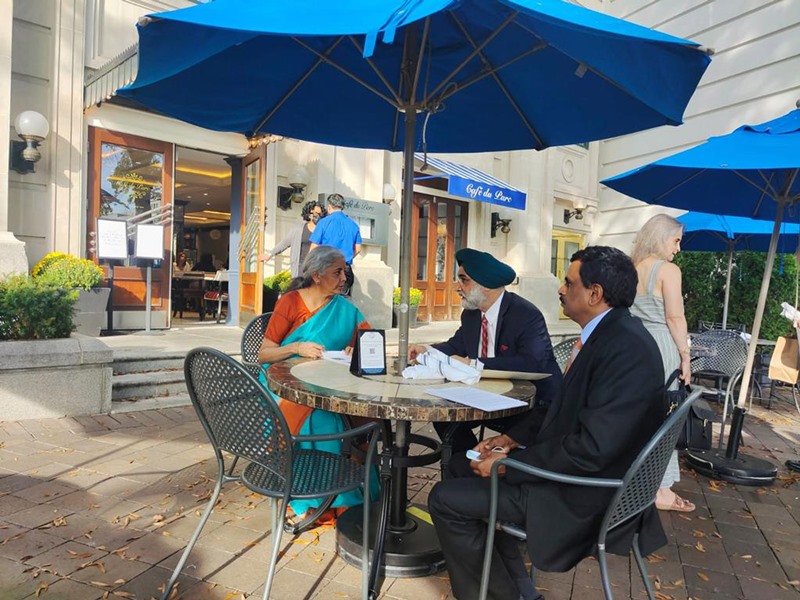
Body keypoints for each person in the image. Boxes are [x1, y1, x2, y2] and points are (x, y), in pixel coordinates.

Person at [429, 246, 667, 600]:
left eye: (568, 283)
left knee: (445, 498)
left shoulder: (624, 349)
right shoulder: (613, 336)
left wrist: (512, 465)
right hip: (577, 475)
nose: (560, 289)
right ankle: (520, 590)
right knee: (463, 467)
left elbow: (591, 449)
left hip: (581, 494)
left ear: (594, 293)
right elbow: (561, 411)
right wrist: (509, 440)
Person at [407, 248, 562, 476]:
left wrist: (474, 364)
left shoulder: (525, 314)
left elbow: (533, 362)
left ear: (486, 285)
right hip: (487, 397)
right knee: (441, 413)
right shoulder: (471, 315)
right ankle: (470, 461)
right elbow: (456, 345)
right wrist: (427, 349)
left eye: (464, 280)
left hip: (530, 406)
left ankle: (480, 471)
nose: (458, 286)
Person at [257, 245, 374, 518]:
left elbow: (371, 344)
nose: (344, 278)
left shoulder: (345, 308)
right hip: (285, 386)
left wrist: (355, 350)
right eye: (338, 272)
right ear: (317, 275)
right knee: (323, 419)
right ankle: (316, 497)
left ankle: (341, 490)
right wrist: (296, 347)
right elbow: (264, 353)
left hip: (329, 385)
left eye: (344, 271)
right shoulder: (290, 302)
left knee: (354, 415)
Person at [630, 214, 695, 513]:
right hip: (662, 346)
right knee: (666, 417)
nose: (679, 248)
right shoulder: (669, 270)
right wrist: (685, 356)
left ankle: (634, 480)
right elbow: (674, 317)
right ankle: (661, 488)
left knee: (636, 415)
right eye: (676, 240)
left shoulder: (631, 269)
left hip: (634, 348)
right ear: (661, 237)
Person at [309, 193, 361, 296]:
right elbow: (358, 249)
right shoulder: (353, 225)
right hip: (345, 269)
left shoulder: (324, 222)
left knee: (325, 301)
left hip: (326, 268)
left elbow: (314, 248)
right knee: (341, 302)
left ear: (329, 207)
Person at [262, 200, 324, 277]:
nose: (317, 216)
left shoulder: (323, 230)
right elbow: (285, 243)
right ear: (309, 213)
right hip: (300, 267)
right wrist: (270, 254)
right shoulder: (298, 229)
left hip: (316, 267)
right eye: (315, 213)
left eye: (319, 214)